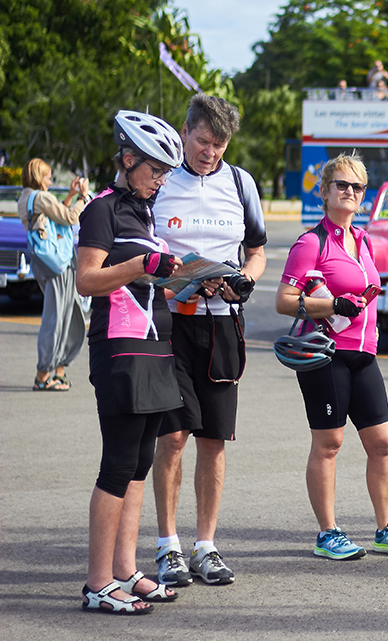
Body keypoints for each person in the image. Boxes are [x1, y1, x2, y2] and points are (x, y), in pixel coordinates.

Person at [275, 153, 388, 561]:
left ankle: (385, 529)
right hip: (325, 353)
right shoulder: (311, 242)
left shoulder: (365, 239)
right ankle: (327, 533)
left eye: (357, 187)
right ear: (325, 192)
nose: (350, 192)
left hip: (364, 352)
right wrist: (332, 305)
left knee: (383, 442)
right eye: (342, 185)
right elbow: (285, 302)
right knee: (329, 443)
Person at [150, 94, 267, 587]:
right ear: (185, 131)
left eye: (220, 145)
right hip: (170, 321)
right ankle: (167, 545)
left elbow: (257, 252)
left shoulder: (240, 182)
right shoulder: (159, 182)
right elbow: (140, 253)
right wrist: (172, 275)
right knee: (173, 436)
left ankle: (205, 545)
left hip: (221, 323)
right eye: (203, 141)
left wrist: (244, 280)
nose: (211, 153)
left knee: (214, 441)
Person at [75, 110, 186, 614]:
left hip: (154, 344)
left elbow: (145, 278)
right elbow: (87, 280)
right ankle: (98, 582)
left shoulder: (142, 210)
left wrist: (188, 279)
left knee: (141, 463)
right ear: (128, 158)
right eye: (156, 169)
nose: (162, 178)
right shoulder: (101, 209)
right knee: (118, 464)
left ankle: (125, 569)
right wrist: (143, 264)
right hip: (119, 348)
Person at [17, 158, 89, 391]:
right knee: (57, 318)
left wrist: (68, 197)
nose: (50, 180)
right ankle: (43, 375)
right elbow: (69, 218)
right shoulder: (41, 197)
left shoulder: (26, 198)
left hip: (45, 262)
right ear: (38, 177)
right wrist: (82, 198)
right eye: (47, 176)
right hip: (59, 264)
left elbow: (55, 218)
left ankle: (57, 371)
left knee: (65, 315)